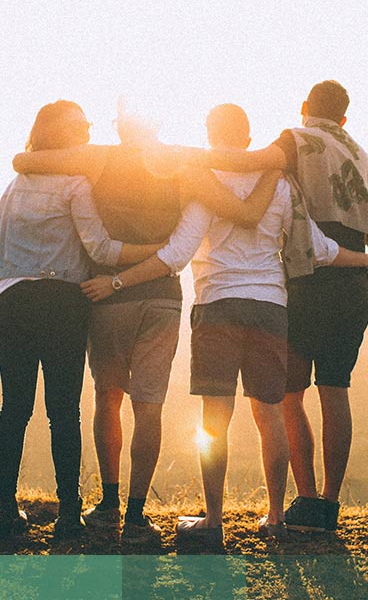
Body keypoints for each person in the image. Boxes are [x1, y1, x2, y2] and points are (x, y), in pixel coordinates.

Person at [81, 103, 368, 542]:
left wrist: (118, 281)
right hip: (270, 307)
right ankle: (274, 518)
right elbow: (319, 249)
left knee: (215, 418)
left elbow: (176, 254)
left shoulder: (203, 185)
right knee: (269, 415)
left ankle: (212, 522)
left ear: (211, 137)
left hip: (216, 305)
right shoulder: (281, 184)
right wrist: (364, 259)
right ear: (250, 140)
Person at [12, 105, 280, 544]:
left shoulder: (98, 157)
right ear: (158, 124)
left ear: (120, 126)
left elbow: (26, 161)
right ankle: (137, 515)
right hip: (162, 298)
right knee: (149, 405)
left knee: (108, 397)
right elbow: (241, 205)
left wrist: (25, 159)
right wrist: (274, 165)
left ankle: (109, 504)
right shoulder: (183, 163)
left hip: (108, 295)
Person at [172, 81, 367, 533]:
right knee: (333, 390)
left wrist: (179, 159)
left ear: (304, 109)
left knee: (286, 398)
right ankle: (321, 509)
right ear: (344, 117)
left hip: (301, 281)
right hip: (349, 280)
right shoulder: (358, 154)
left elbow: (250, 167)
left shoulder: (293, 143)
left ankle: (298, 500)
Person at [0, 101, 166, 541]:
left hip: (11, 303)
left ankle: (2, 510)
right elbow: (101, 250)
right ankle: (69, 515)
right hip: (62, 305)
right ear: (72, 137)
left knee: (13, 409)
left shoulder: (16, 185)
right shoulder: (76, 185)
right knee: (63, 412)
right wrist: (156, 251)